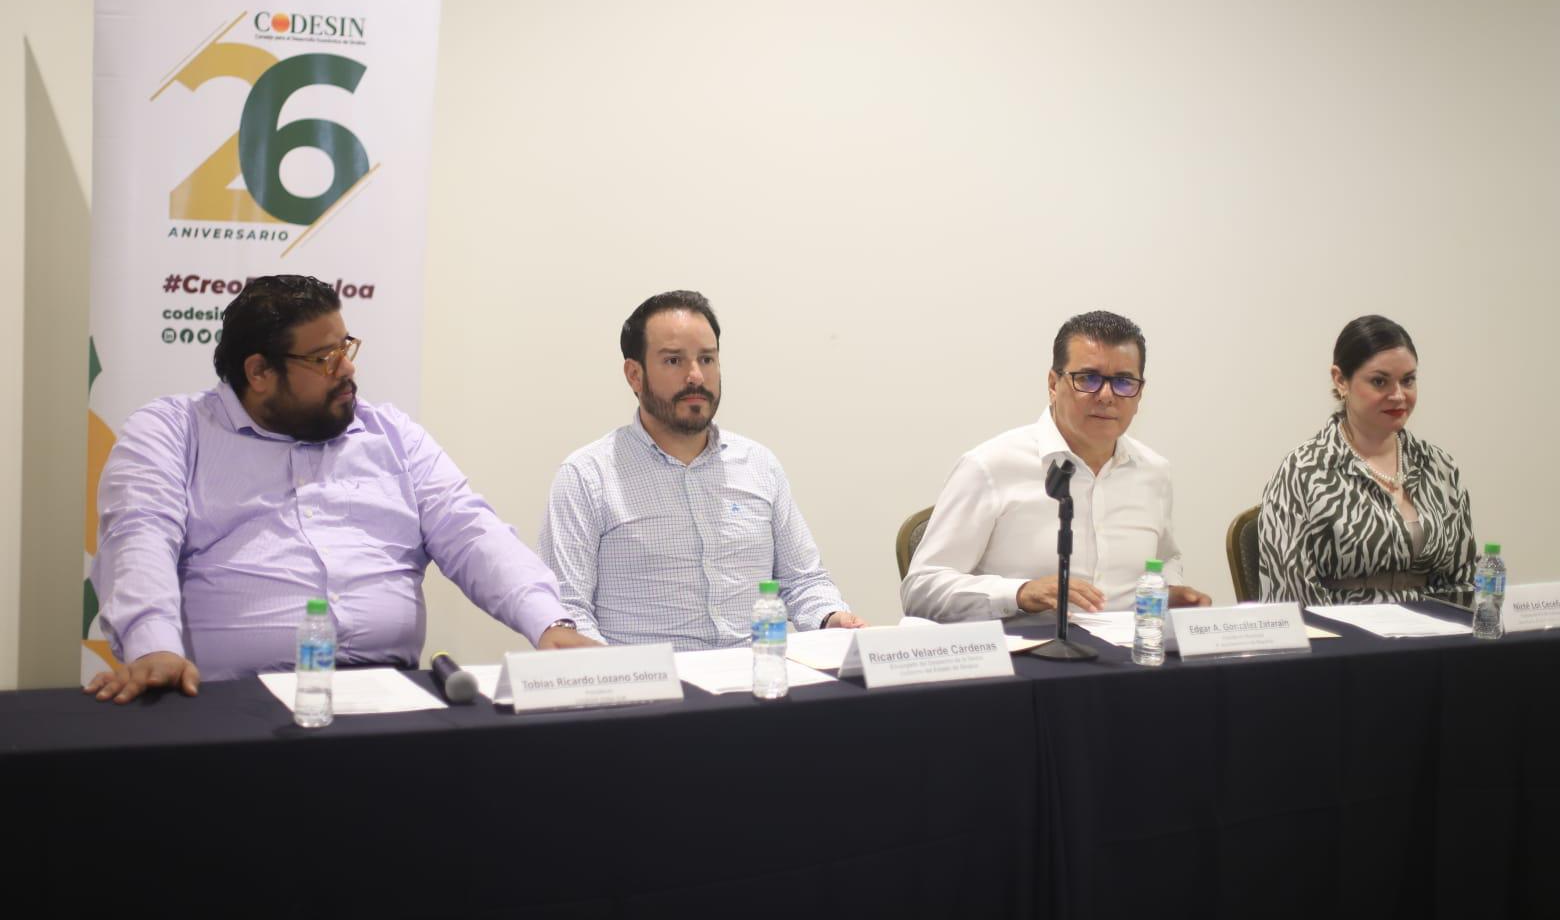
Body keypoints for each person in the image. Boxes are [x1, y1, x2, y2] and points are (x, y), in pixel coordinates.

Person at [86, 275, 595, 704]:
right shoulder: (174, 431)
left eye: (346, 348)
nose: (347, 368)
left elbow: (469, 529)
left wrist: (547, 622)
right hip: (233, 703)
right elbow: (139, 535)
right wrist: (152, 647)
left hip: (389, 694)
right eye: (324, 358)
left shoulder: (390, 433)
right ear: (259, 371)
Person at [538, 290, 866, 650]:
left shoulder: (758, 465)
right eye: (674, 361)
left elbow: (804, 581)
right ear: (635, 374)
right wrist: (620, 678)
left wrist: (831, 617)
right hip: (656, 689)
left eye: (707, 360)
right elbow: (568, 611)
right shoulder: (588, 477)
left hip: (759, 677)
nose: (696, 376)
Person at [902, 310, 1211, 626]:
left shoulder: (1154, 472)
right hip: (1032, 662)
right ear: (1053, 384)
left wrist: (1169, 589)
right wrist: (1020, 594)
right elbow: (921, 589)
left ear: (1140, 393)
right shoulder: (991, 466)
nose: (1106, 396)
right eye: (1088, 378)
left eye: (1123, 382)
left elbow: (1167, 557)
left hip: (1131, 661)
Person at [1258, 315, 1475, 605]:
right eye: (1379, 381)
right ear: (1340, 380)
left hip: (1434, 639)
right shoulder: (1303, 471)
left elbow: (1463, 579)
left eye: (1408, 380)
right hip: (1344, 641)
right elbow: (1291, 595)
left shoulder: (1439, 466)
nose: (1398, 396)